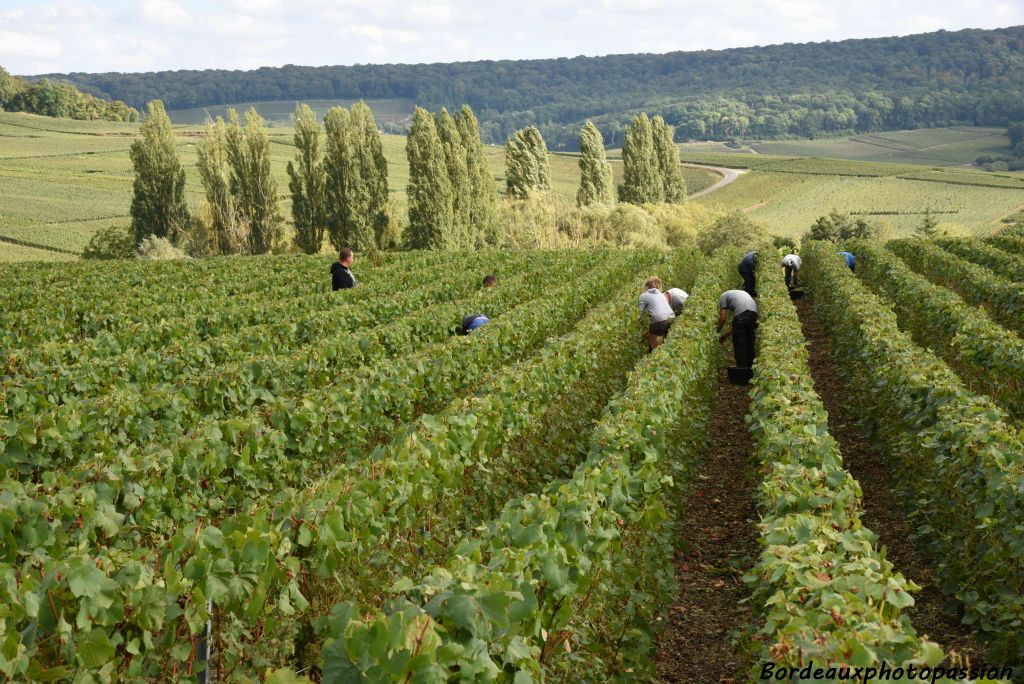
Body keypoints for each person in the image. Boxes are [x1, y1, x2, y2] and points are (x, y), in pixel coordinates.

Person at [717, 289, 759, 368]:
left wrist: (716, 331)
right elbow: (739, 326)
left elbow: (723, 318)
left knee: (740, 344)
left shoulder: (722, 297)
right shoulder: (738, 294)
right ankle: (750, 370)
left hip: (743, 315)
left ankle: (741, 371)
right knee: (749, 343)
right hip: (754, 314)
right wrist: (725, 335)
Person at [638, 277, 675, 351]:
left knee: (653, 348)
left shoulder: (643, 295)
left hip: (660, 321)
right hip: (671, 318)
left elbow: (639, 314)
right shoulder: (661, 294)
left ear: (646, 287)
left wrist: (637, 325)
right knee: (665, 342)